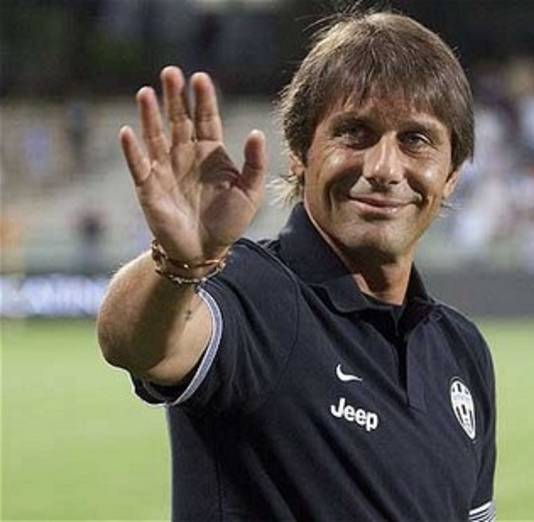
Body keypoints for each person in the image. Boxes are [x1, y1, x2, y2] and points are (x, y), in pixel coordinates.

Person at [97, 10, 496, 522]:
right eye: (355, 133)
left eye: (415, 140)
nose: (383, 169)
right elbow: (135, 344)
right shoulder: (258, 290)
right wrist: (179, 262)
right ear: (300, 153)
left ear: (452, 174)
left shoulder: (462, 351)